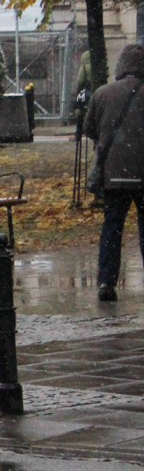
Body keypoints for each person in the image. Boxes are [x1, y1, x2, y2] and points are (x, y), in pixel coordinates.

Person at [87, 45, 144, 302]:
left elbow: (90, 129)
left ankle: (107, 282)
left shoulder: (102, 94)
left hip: (114, 174)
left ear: (121, 66)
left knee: (112, 228)